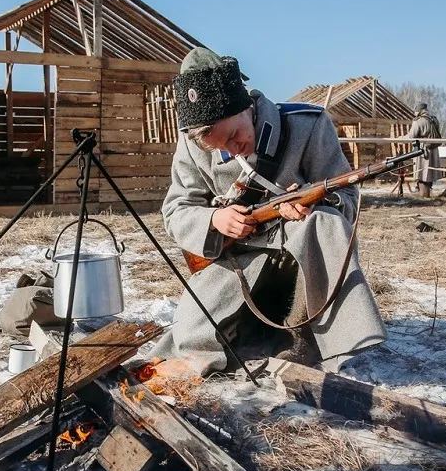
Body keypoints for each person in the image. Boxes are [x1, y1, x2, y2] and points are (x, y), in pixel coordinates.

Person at [151, 48, 386, 376]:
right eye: (219, 147)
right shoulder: (191, 147)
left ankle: (322, 340)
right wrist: (214, 219)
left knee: (323, 223)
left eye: (233, 136)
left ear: (245, 106)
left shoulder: (307, 126)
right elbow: (176, 211)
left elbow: (346, 194)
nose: (232, 150)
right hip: (239, 261)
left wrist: (316, 204)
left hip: (300, 257)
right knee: (190, 335)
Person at [404, 103, 442, 197]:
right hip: (434, 150)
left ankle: (424, 195)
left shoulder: (418, 121)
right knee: (429, 173)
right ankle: (426, 194)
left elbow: (411, 136)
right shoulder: (434, 119)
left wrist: (400, 139)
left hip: (423, 150)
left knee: (422, 173)